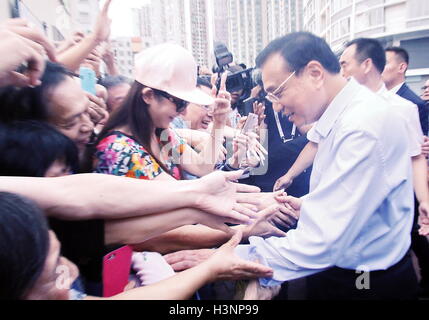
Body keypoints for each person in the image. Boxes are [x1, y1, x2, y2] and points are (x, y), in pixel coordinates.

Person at [165, 32, 419, 300]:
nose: (276, 105)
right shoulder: (347, 116)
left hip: (364, 281)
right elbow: (359, 201)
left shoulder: (361, 126)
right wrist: (312, 206)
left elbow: (324, 239)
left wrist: (224, 258)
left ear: (314, 73)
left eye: (279, 92)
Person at [0, 192, 274, 300]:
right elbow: (153, 234)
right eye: (52, 274)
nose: (71, 272)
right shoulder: (121, 149)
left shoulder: (167, 137)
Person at [93, 43, 230, 180]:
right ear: (148, 96)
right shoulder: (119, 149)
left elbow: (202, 167)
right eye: (179, 103)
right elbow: (176, 194)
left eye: (186, 103)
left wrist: (219, 122)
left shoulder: (163, 136)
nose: (182, 112)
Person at [382, 46, 428, 136]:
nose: (379, 68)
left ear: (401, 68)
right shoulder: (374, 97)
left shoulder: (414, 103)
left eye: (384, 63)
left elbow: (419, 143)